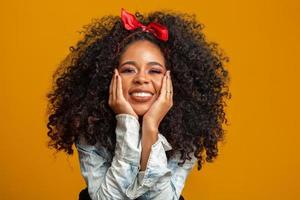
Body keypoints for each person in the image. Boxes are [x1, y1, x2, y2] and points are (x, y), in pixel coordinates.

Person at [46, 8, 231, 200]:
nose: (141, 79)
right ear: (110, 77)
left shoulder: (187, 132)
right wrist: (127, 123)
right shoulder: (89, 127)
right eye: (128, 70)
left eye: (155, 71)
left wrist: (150, 128)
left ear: (172, 80)